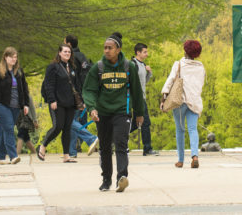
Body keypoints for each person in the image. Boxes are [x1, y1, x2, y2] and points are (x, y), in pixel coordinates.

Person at [82, 32, 145, 193]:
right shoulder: (99, 67)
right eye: (105, 48)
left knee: (121, 143)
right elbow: (89, 90)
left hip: (122, 112)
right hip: (102, 112)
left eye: (110, 48)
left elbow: (137, 92)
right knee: (104, 147)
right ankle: (106, 179)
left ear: (118, 49)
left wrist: (139, 112)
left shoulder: (128, 66)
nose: (106, 51)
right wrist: (92, 108)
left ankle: (121, 178)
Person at [0, 46, 33, 165]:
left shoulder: (19, 71)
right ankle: (13, 156)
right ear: (5, 57)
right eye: (11, 57)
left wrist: (26, 104)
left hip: (15, 106)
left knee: (6, 129)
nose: (14, 59)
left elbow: (24, 88)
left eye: (15, 57)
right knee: (9, 127)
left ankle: (0, 156)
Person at [161, 39, 206, 169]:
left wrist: (164, 97)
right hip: (195, 101)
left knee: (180, 130)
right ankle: (195, 156)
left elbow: (170, 80)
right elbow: (201, 84)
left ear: (185, 50)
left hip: (180, 101)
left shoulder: (179, 64)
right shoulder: (201, 67)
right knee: (193, 129)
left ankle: (180, 160)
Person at [37, 43, 81, 163]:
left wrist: (81, 100)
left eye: (69, 52)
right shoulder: (53, 67)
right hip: (57, 102)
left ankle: (66, 156)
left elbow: (77, 85)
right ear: (59, 53)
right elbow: (49, 85)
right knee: (58, 126)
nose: (67, 54)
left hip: (70, 103)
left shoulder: (72, 67)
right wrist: (52, 100)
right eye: (65, 51)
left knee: (67, 129)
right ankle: (43, 146)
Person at [131, 42, 157, 155]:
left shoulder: (142, 65)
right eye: (145, 52)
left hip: (142, 98)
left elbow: (143, 83)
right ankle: (147, 148)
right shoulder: (133, 65)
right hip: (137, 98)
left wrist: (149, 73)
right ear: (138, 52)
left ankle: (111, 139)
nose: (147, 54)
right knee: (145, 122)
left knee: (135, 123)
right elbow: (132, 83)